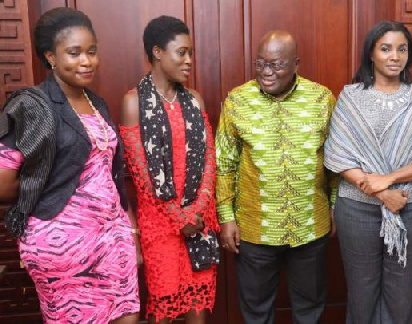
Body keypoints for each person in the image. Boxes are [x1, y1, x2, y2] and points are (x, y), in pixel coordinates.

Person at [0, 7, 140, 323]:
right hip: (62, 245)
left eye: (91, 52)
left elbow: (110, 173)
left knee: (127, 316)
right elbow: (3, 181)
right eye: (74, 53)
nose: (86, 61)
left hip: (111, 242)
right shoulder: (30, 104)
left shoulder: (97, 102)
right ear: (50, 56)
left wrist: (129, 229)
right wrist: (54, 195)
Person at [324, 21, 412, 324]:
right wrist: (381, 192)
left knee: (401, 294)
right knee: (362, 292)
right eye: (386, 48)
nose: (395, 56)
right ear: (371, 54)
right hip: (356, 208)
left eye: (402, 49)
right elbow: (337, 154)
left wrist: (388, 180)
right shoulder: (351, 97)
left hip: (411, 205)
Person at [215, 30, 338, 323]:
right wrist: (225, 216)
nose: (266, 73)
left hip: (311, 225)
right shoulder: (237, 100)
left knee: (310, 309)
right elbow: (224, 162)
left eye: (276, 65)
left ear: (296, 64)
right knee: (257, 312)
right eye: (260, 64)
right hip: (254, 229)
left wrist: (335, 205)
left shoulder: (322, 99)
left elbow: (336, 159)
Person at [119, 15, 219, 324]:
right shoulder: (133, 102)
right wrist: (178, 218)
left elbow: (208, 162)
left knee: (197, 310)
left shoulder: (195, 100)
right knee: (162, 311)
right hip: (160, 226)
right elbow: (142, 175)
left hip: (199, 219)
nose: (189, 60)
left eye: (191, 53)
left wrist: (197, 211)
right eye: (182, 52)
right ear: (157, 52)